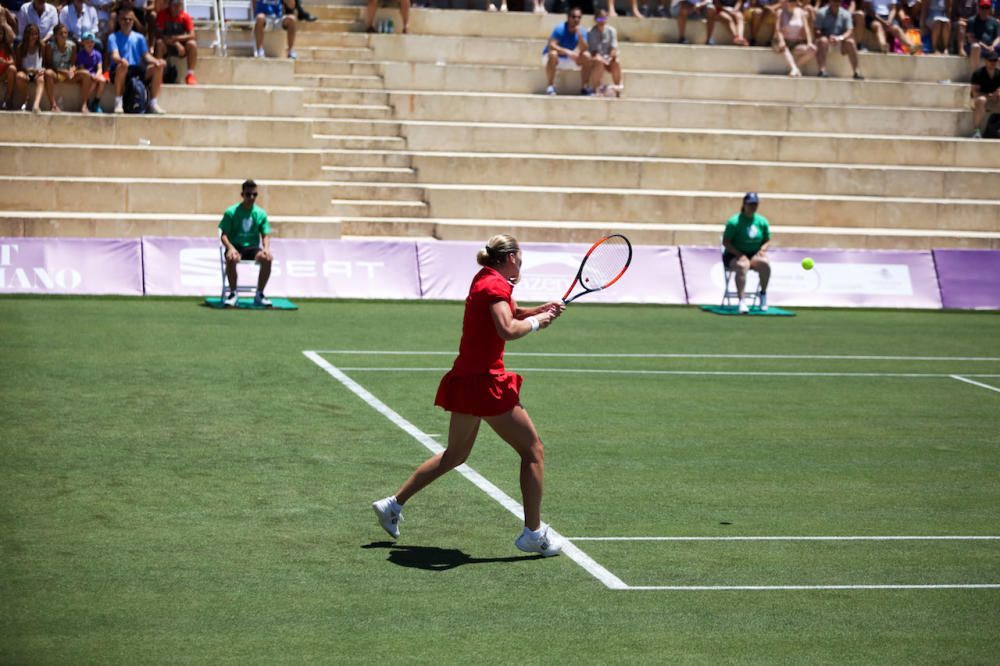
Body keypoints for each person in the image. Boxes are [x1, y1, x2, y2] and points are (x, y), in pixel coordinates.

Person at [371, 234, 566, 557]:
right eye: (521, 256)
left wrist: (539, 311)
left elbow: (509, 313)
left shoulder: (487, 278)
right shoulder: (494, 286)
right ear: (511, 257)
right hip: (485, 384)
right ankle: (533, 532)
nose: (522, 261)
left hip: (467, 379)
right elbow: (507, 328)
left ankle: (393, 504)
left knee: (455, 455)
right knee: (533, 452)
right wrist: (536, 322)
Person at [219, 180, 274, 307]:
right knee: (231, 257)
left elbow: (265, 234)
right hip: (235, 246)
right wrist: (230, 248)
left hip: (252, 248)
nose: (251, 197)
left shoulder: (260, 213)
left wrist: (266, 248)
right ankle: (233, 293)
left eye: (254, 195)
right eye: (248, 194)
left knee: (267, 258)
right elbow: (224, 235)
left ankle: (259, 294)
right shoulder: (231, 212)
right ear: (242, 194)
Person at [107, 9, 165, 113]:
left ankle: (153, 103)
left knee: (158, 67)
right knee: (122, 66)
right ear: (119, 21)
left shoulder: (140, 37)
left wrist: (157, 61)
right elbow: (114, 55)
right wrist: (121, 60)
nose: (127, 21)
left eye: (130, 19)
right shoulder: (113, 37)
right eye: (124, 19)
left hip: (136, 69)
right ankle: (118, 102)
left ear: (133, 22)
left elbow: (146, 56)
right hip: (119, 69)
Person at [723, 192, 771, 314]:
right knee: (742, 266)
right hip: (733, 254)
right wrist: (739, 254)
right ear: (744, 205)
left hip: (753, 254)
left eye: (755, 204)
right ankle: (742, 300)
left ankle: (763, 294)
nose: (752, 207)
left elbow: (767, 240)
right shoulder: (734, 222)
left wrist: (762, 249)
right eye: (750, 204)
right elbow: (726, 242)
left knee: (765, 264)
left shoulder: (762, 221)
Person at [543, 6, 592, 95]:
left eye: (579, 17)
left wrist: (580, 36)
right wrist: (567, 52)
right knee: (553, 54)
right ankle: (550, 86)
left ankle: (585, 87)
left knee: (587, 56)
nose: (576, 19)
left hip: (570, 59)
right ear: (568, 17)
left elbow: (584, 48)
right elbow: (551, 45)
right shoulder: (560, 28)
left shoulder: (582, 31)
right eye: (573, 17)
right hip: (555, 58)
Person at [815, 0, 864, 77]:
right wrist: (828, 37)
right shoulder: (821, 13)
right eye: (834, 1)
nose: (836, 3)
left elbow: (849, 30)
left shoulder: (846, 14)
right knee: (822, 41)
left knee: (851, 42)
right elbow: (817, 30)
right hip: (826, 41)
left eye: (838, 1)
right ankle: (821, 70)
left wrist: (840, 38)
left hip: (841, 42)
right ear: (829, 2)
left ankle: (857, 72)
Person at [154, 0, 197, 84]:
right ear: (169, 5)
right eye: (175, 5)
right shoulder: (162, 14)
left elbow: (192, 35)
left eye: (179, 5)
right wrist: (176, 43)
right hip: (166, 46)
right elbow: (161, 35)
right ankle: (159, 75)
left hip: (181, 48)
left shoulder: (185, 17)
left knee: (192, 44)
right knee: (159, 43)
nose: (177, 7)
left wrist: (177, 39)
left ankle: (190, 75)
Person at [774, 0, 817, 76]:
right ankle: (794, 68)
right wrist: (781, 41)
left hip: (796, 43)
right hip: (782, 41)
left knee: (813, 50)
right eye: (790, 1)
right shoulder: (780, 12)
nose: (792, 3)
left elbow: (806, 28)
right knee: (784, 47)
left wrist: (809, 42)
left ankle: (795, 67)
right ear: (786, 2)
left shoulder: (801, 12)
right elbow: (778, 29)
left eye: (794, 1)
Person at [587, 8, 622, 95]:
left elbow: (613, 48)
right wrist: (602, 59)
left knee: (616, 61)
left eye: (604, 18)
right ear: (595, 19)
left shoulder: (612, 31)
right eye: (599, 19)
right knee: (599, 61)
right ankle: (596, 88)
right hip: (596, 58)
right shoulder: (590, 32)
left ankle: (618, 88)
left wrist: (610, 58)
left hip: (607, 57)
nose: (602, 21)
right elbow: (593, 51)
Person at [14, 23, 47, 112]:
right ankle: (26, 98)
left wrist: (43, 69)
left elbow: (46, 63)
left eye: (36, 34)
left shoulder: (42, 46)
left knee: (41, 79)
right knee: (19, 76)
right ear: (27, 35)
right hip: (25, 72)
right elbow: (18, 66)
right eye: (31, 34)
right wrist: (27, 70)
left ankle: (36, 105)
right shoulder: (20, 47)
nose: (34, 36)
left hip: (38, 73)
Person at [42, 22, 74, 112]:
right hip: (55, 73)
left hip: (67, 74)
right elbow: (48, 65)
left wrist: (72, 70)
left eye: (65, 33)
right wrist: (62, 71)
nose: (64, 35)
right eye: (61, 33)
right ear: (55, 35)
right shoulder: (50, 46)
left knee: (85, 75)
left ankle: (85, 105)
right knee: (48, 73)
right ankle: (53, 105)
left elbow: (73, 63)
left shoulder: (72, 46)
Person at [970, 48, 999, 138]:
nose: (993, 62)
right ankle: (977, 130)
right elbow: (974, 93)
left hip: (994, 100)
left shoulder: (999, 74)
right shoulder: (978, 74)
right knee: (982, 100)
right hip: (979, 100)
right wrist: (988, 96)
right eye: (991, 60)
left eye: (995, 60)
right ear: (986, 61)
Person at [74, 30, 104, 112]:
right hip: (86, 75)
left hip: (95, 74)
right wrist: (91, 76)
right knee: (93, 82)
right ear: (83, 43)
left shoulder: (98, 54)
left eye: (91, 42)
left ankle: (96, 103)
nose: (90, 44)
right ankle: (86, 102)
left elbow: (100, 68)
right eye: (87, 42)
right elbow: (82, 68)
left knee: (102, 80)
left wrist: (97, 75)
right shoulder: (80, 55)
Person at [966, 0, 998, 70]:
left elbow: (998, 37)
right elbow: (970, 38)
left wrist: (992, 46)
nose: (984, 10)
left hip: (990, 47)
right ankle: (975, 76)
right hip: (977, 48)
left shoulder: (994, 21)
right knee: (975, 46)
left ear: (990, 9)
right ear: (978, 8)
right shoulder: (972, 20)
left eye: (987, 7)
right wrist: (984, 46)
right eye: (982, 7)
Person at [0, 24, 15, 110]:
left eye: (1, 33)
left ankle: (7, 99)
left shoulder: (6, 46)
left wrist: (5, 62)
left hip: (3, 74)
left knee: (12, 69)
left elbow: (13, 61)